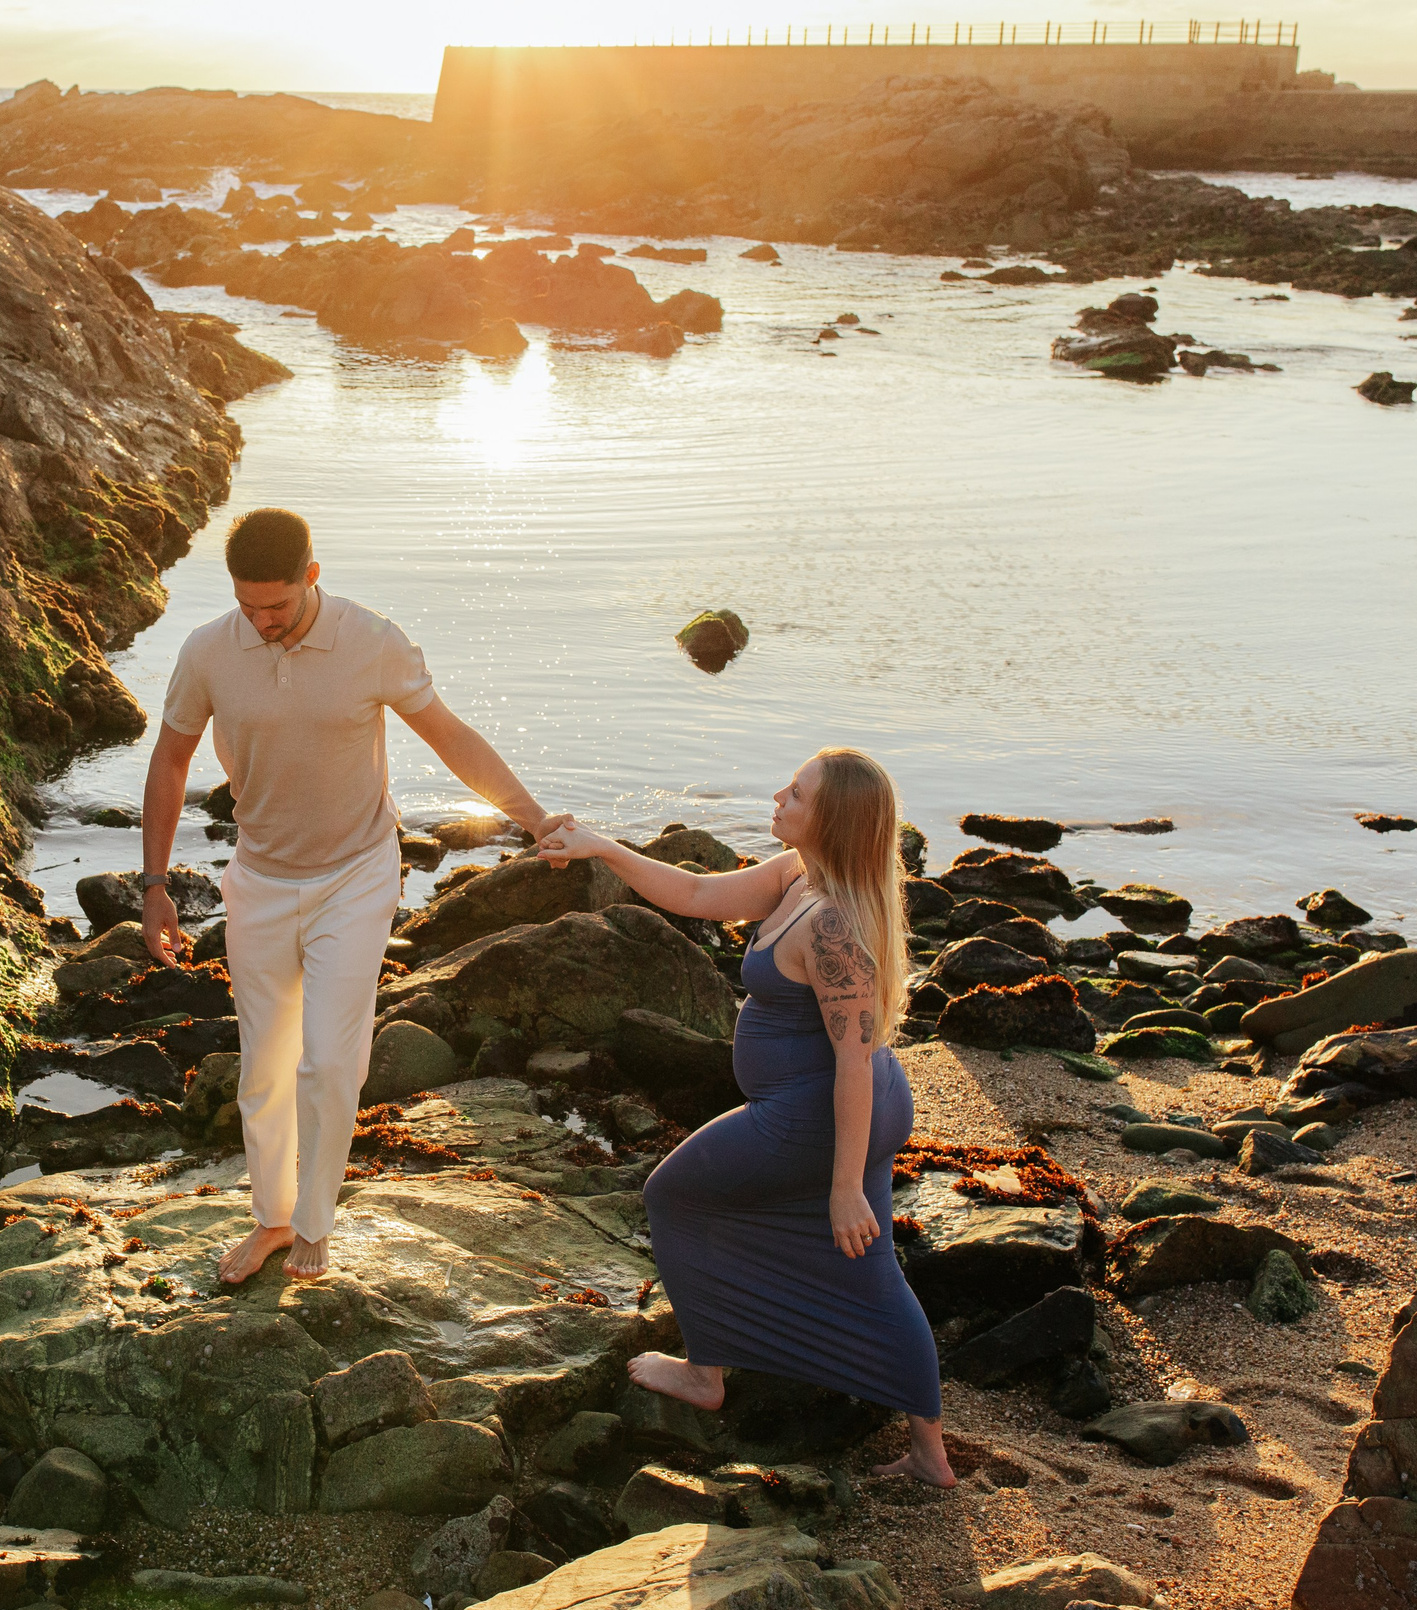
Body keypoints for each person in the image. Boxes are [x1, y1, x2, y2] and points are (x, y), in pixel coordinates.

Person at [139, 508, 569, 1285]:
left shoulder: (371, 640)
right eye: (248, 607)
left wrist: (532, 818)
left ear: (312, 574)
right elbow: (170, 762)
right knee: (264, 1066)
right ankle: (271, 1217)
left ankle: (314, 1222)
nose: (263, 621)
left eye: (277, 605)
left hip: (356, 874)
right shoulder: (208, 651)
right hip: (260, 879)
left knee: (332, 1062)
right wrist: (155, 883)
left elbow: (451, 735)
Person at [529, 747, 953, 1487]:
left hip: (819, 1113)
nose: (780, 796)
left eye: (798, 792)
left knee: (673, 1195)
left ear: (834, 820)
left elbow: (852, 1061)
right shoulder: (796, 876)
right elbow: (695, 891)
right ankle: (930, 1455)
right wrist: (601, 844)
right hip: (844, 1102)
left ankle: (707, 1371)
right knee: (870, 1271)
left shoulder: (830, 925)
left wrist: (844, 1184)